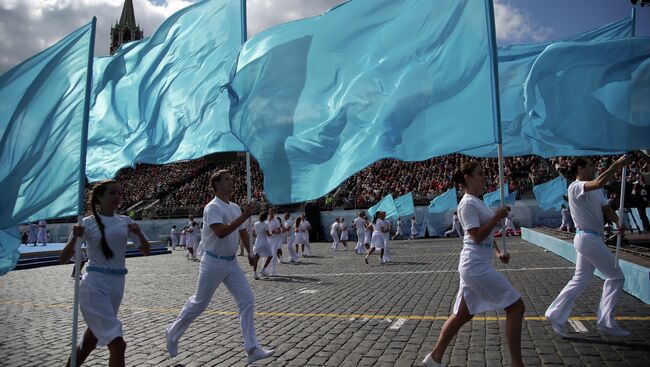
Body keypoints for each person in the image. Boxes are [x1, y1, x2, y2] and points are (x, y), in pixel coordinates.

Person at [165, 170, 274, 363]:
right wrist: (245, 216)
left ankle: (251, 348)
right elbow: (221, 232)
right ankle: (172, 333)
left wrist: (250, 252)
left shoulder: (235, 207)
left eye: (232, 179)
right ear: (216, 184)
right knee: (199, 303)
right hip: (213, 262)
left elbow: (243, 233)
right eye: (227, 180)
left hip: (231, 262)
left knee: (247, 299)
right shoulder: (212, 207)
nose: (232, 182)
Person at [422, 161, 524, 367]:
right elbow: (476, 236)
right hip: (475, 264)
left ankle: (434, 358)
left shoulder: (478, 201)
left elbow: (484, 236)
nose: (484, 177)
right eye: (480, 174)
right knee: (516, 308)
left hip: (478, 261)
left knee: (462, 315)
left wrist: (497, 252)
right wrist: (496, 217)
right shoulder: (467, 204)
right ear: (467, 178)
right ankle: (517, 363)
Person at [59, 179, 150, 367]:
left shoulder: (126, 221)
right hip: (94, 285)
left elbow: (146, 250)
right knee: (118, 344)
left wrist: (139, 233)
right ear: (99, 197)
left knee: (90, 340)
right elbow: (64, 258)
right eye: (112, 193)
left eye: (119, 193)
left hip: (116, 286)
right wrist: (74, 238)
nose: (117, 197)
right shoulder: (86, 223)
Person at [545, 156, 631, 337]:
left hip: (592, 239)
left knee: (580, 280)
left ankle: (554, 313)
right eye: (591, 166)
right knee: (616, 277)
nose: (594, 168)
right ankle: (606, 321)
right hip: (587, 238)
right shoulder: (575, 187)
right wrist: (616, 165)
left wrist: (618, 223)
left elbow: (606, 209)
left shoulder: (595, 189)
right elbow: (599, 182)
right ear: (580, 169)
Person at [252, 211, 273, 279]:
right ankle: (263, 269)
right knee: (270, 256)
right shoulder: (265, 224)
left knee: (256, 258)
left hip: (257, 241)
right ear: (265, 217)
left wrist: (258, 235)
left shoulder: (255, 224)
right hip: (264, 242)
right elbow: (268, 235)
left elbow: (253, 233)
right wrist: (272, 233)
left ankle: (254, 273)